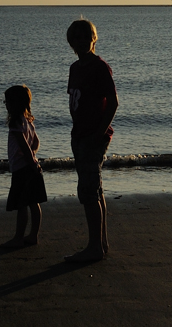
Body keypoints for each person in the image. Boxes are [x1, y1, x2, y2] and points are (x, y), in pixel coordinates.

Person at [64, 18, 118, 263]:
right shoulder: (75, 68)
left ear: (93, 39)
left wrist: (99, 132)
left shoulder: (99, 66)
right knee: (95, 189)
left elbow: (112, 102)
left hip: (93, 136)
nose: (81, 42)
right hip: (80, 133)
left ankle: (94, 246)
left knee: (88, 191)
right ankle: (101, 243)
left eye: (85, 37)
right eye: (76, 39)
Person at [0, 84, 47, 248]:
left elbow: (24, 146)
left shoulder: (15, 123)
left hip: (22, 168)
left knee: (21, 204)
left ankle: (18, 238)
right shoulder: (28, 121)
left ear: (15, 104)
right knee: (33, 202)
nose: (5, 105)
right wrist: (34, 157)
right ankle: (33, 235)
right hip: (31, 166)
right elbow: (35, 143)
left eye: (7, 102)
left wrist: (30, 159)